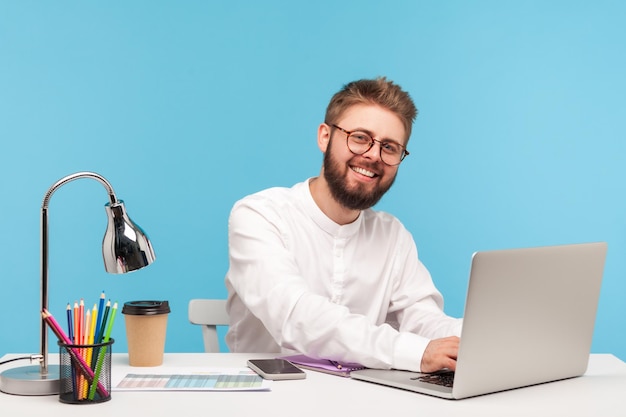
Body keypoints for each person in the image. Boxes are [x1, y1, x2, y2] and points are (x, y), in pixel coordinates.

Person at [225, 77, 461, 373]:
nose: (374, 155)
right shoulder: (259, 214)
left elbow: (422, 318)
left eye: (389, 147)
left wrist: (478, 337)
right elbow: (296, 315)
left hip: (361, 396)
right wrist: (414, 352)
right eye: (360, 137)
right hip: (268, 395)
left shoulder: (392, 235)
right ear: (325, 136)